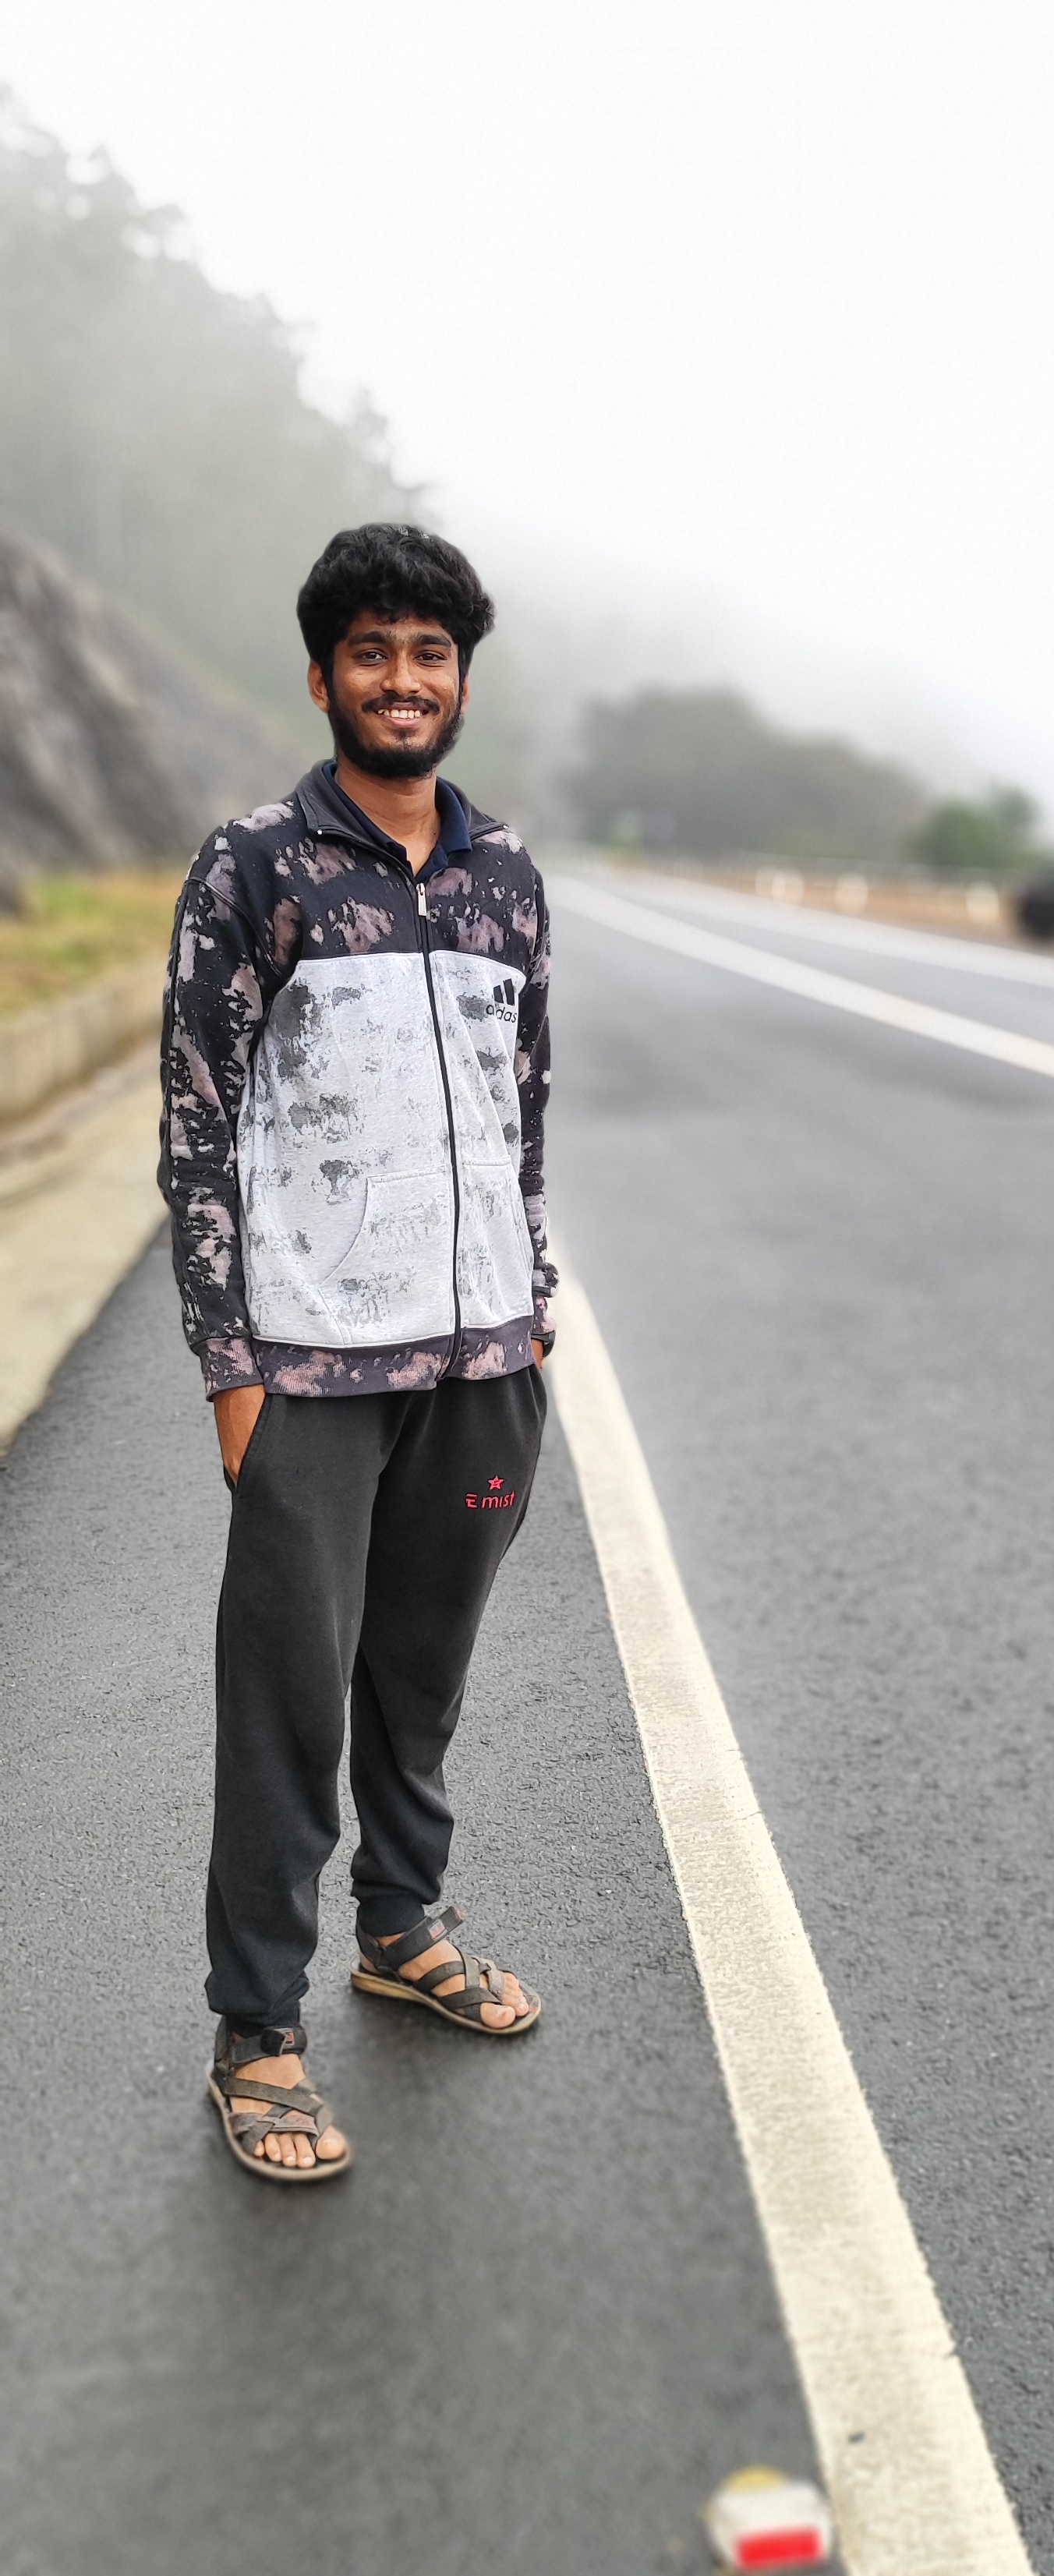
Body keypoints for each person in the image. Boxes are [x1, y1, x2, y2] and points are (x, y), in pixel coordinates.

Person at [159, 523, 556, 2183]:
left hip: (483, 1366)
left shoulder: (505, 875)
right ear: (324, 676)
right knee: (285, 1708)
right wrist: (231, 1370)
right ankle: (257, 2029)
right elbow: (196, 1127)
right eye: (374, 651)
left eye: (431, 653)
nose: (405, 679)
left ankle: (403, 1925)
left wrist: (533, 1300)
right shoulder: (255, 867)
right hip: (313, 1371)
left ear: (461, 677)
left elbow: (526, 1106)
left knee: (420, 1680)